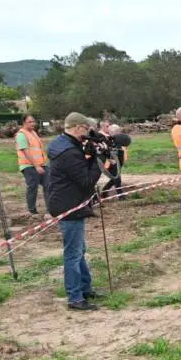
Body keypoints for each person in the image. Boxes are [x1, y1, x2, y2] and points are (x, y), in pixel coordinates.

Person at [45, 112, 108, 311]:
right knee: (73, 253)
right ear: (78, 128)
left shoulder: (63, 144)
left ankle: (85, 288)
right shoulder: (69, 152)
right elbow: (86, 180)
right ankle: (75, 297)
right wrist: (99, 160)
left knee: (79, 251)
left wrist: (89, 156)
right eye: (86, 130)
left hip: (66, 201)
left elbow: (79, 172)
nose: (88, 133)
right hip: (69, 205)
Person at [15, 114, 47, 214]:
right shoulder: (21, 135)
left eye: (33, 121)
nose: (33, 123)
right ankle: (32, 210)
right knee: (33, 187)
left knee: (49, 185)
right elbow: (26, 152)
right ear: (24, 123)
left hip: (41, 164)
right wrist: (36, 166)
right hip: (29, 166)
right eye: (30, 122)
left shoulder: (33, 133)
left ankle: (51, 208)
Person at [101, 124, 130, 197]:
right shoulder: (107, 139)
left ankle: (104, 191)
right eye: (111, 131)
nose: (110, 132)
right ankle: (121, 195)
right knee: (117, 177)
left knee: (115, 176)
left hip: (119, 156)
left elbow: (125, 145)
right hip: (112, 159)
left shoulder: (119, 139)